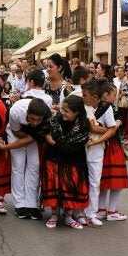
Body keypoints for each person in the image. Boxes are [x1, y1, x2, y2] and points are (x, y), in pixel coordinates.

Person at [0, 97, 51, 219]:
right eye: (32, 119)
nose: (35, 122)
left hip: (33, 136)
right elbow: (17, 133)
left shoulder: (47, 116)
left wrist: (34, 137)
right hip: (17, 132)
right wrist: (9, 146)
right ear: (27, 113)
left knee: (34, 165)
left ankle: (32, 204)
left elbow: (32, 138)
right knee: (18, 165)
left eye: (38, 120)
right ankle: (20, 204)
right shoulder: (16, 111)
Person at [40, 95, 90, 229]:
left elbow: (71, 149)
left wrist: (54, 143)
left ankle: (68, 217)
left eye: (66, 111)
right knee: (54, 187)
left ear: (76, 112)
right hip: (53, 160)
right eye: (62, 109)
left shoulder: (83, 126)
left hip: (73, 162)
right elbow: (45, 133)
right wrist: (55, 143)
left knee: (70, 189)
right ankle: (54, 216)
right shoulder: (54, 121)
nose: (62, 112)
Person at [80, 79, 118, 227]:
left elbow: (112, 128)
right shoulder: (82, 106)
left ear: (94, 97)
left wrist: (97, 141)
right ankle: (79, 212)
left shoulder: (106, 108)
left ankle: (91, 213)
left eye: (85, 95)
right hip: (81, 147)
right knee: (81, 180)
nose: (82, 97)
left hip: (96, 149)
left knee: (94, 182)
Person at [98, 82, 128, 222]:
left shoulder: (98, 106)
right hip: (112, 146)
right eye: (113, 95)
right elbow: (112, 126)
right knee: (116, 181)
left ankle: (101, 210)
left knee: (104, 180)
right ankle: (112, 211)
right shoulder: (109, 107)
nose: (115, 97)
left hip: (102, 145)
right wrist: (116, 124)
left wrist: (118, 121)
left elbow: (120, 118)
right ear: (106, 95)